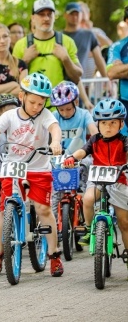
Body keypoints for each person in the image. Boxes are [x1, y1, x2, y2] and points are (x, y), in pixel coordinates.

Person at [0, 73, 64, 277]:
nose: (36, 107)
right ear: (22, 96)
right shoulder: (9, 115)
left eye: (41, 103)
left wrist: (55, 142)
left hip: (39, 167)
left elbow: (54, 128)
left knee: (43, 209)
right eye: (32, 102)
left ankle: (53, 254)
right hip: (13, 167)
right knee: (5, 210)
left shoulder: (45, 115)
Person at [63, 99, 128, 251]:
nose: (108, 127)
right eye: (104, 123)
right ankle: (87, 228)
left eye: (113, 122)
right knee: (88, 198)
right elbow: (83, 151)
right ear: (97, 124)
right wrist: (72, 158)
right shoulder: (94, 140)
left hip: (118, 181)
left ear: (121, 124)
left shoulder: (123, 141)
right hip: (98, 179)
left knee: (124, 222)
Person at [13, 0, 82, 99]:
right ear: (32, 18)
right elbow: (11, 80)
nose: (46, 18)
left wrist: (65, 58)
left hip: (60, 107)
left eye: (49, 14)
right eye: (41, 14)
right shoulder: (21, 44)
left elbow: (77, 77)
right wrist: (24, 61)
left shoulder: (67, 42)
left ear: (54, 17)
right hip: (32, 107)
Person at [50, 81, 98, 218]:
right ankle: (53, 226)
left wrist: (97, 143)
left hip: (80, 157)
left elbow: (94, 134)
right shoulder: (54, 116)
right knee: (55, 194)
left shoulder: (84, 115)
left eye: (68, 109)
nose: (64, 113)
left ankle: (85, 214)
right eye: (61, 109)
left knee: (85, 178)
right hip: (58, 158)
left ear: (76, 102)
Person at [63, 2, 108, 109]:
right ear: (65, 15)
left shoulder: (88, 34)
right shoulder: (59, 36)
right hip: (62, 83)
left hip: (80, 84)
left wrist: (107, 80)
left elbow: (99, 58)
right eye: (71, 14)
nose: (74, 17)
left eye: (77, 14)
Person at [0, 93, 20, 233]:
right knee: (1, 199)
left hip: (22, 171)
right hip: (3, 174)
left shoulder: (22, 130)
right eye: (5, 114)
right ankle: (0, 223)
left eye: (13, 112)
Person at [107, 6, 128, 135]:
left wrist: (123, 68)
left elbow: (119, 70)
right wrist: (119, 70)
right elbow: (112, 73)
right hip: (125, 105)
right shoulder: (118, 47)